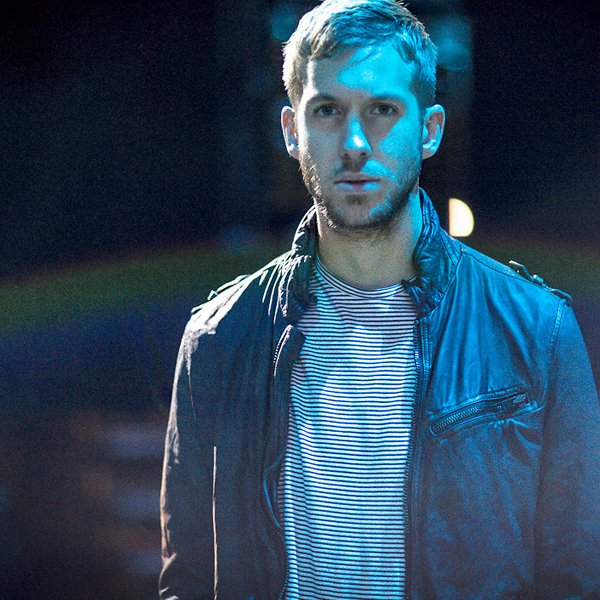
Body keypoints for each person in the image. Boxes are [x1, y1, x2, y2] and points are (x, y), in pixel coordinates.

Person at [159, 0, 600, 598]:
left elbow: (576, 578)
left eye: (383, 109)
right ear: (292, 131)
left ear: (430, 130)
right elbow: (187, 580)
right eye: (328, 110)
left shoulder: (537, 331)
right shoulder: (219, 339)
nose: (355, 142)